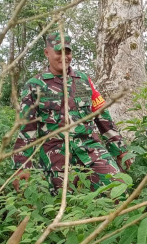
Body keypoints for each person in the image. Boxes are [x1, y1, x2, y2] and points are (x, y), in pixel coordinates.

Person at [12, 32, 131, 194]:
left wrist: (120, 150)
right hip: (56, 159)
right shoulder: (34, 86)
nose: (64, 57)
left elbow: (103, 118)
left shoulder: (84, 81)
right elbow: (27, 130)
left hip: (91, 151)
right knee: (64, 208)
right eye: (58, 52)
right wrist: (21, 166)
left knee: (119, 190)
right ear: (47, 52)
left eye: (67, 52)